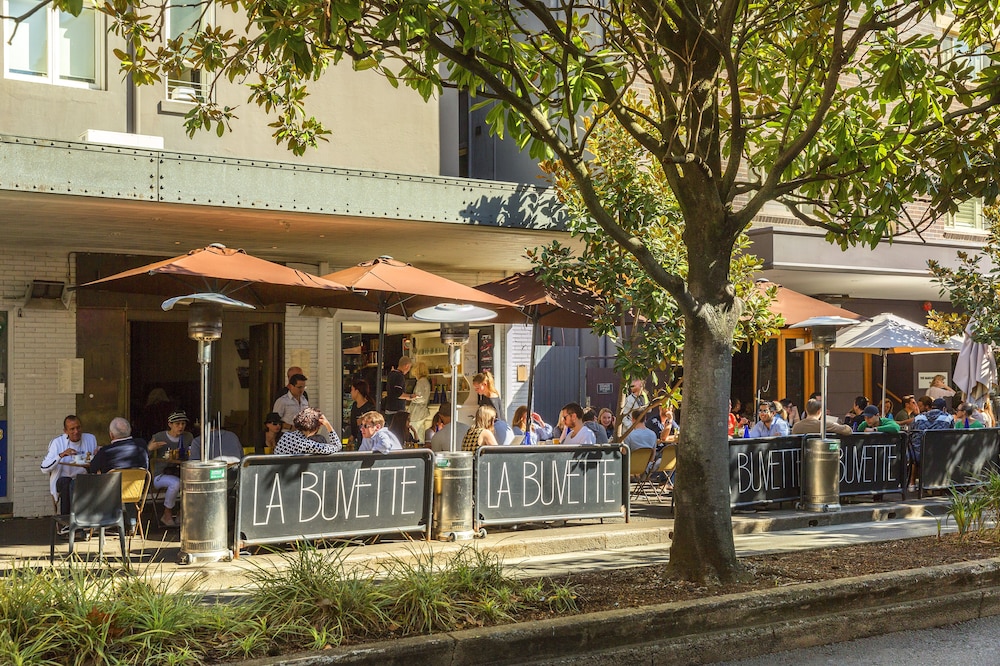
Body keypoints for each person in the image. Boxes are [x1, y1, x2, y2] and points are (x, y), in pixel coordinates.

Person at [40, 415, 98, 516]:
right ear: (65, 431)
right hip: (64, 480)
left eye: (78, 427)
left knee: (86, 482)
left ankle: (87, 519)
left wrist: (97, 455)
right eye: (72, 429)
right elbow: (44, 468)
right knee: (68, 483)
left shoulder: (90, 438)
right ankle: (66, 519)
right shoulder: (57, 443)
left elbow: (94, 462)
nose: (76, 431)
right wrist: (61, 455)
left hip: (84, 479)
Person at [147, 410, 190, 527]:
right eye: (177, 424)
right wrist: (150, 449)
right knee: (176, 483)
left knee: (191, 483)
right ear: (170, 424)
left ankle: (182, 512)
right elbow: (144, 456)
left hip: (181, 472)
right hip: (161, 475)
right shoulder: (159, 437)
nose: (181, 427)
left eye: (183, 424)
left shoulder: (187, 437)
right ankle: (167, 514)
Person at [909, 398, 954, 492]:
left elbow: (911, 431)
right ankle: (942, 484)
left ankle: (912, 483)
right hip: (939, 454)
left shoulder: (918, 417)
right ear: (944, 408)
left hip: (918, 455)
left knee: (916, 454)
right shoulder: (948, 418)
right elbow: (952, 434)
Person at [275, 407, 344, 455]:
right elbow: (337, 446)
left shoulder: (286, 435)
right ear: (315, 428)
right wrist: (327, 424)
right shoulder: (306, 445)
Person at [407, 361, 432, 434]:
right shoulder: (426, 381)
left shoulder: (420, 382)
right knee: (420, 434)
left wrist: (410, 397)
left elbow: (419, 397)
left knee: (413, 432)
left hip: (417, 413)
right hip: (422, 412)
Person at [348, 379, 375, 448]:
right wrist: (352, 435)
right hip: (358, 440)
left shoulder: (369, 407)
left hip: (367, 441)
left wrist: (363, 421)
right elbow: (353, 422)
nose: (350, 392)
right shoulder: (354, 405)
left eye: (352, 390)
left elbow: (374, 423)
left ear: (357, 391)